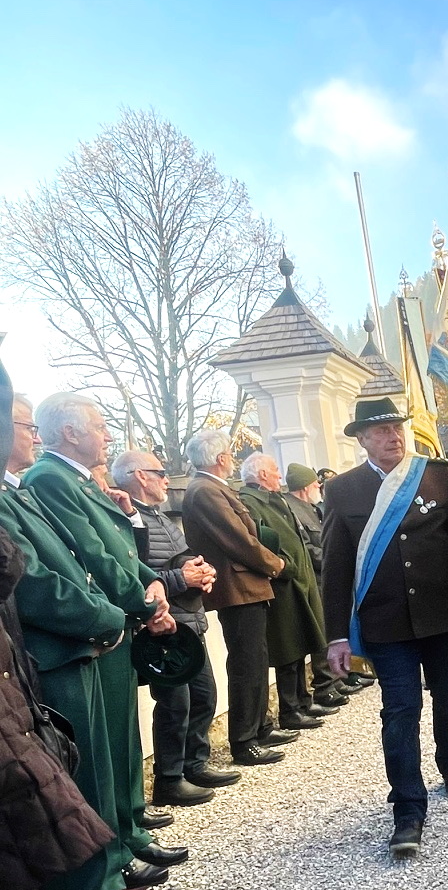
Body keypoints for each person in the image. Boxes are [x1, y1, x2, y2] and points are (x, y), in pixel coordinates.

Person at [23, 394, 188, 878]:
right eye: (99, 426)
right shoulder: (50, 477)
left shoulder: (77, 478)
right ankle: (115, 850)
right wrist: (144, 603)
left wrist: (150, 583)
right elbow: (90, 552)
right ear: (70, 432)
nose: (108, 435)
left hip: (115, 616)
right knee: (102, 751)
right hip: (98, 621)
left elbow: (116, 545)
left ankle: (130, 829)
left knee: (121, 739)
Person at [321, 398, 448, 857]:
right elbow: (335, 568)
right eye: (380, 430)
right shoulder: (342, 490)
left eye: (396, 427)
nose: (393, 436)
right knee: (400, 711)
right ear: (362, 439)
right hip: (385, 621)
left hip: (441, 614)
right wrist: (337, 635)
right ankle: (408, 811)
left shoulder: (437, 475)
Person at [0, 379, 130, 890]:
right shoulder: (32, 486)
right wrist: (106, 615)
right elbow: (34, 581)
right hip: (51, 650)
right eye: (25, 425)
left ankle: (113, 862)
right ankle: (101, 874)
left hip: (73, 641)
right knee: (75, 782)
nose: (34, 435)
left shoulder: (18, 489)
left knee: (95, 768)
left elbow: (76, 560)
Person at [111, 450, 240, 805]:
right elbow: (135, 575)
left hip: (189, 621)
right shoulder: (128, 519)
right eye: (161, 472)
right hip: (163, 627)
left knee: (204, 695)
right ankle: (169, 779)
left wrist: (203, 572)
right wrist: (182, 579)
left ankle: (194, 765)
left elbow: (182, 559)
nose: (168, 479)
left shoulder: (161, 516)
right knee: (174, 704)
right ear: (140, 476)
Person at [181, 431, 295, 766]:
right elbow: (239, 539)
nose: (232, 460)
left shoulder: (213, 487)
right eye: (230, 454)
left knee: (257, 659)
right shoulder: (204, 490)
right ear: (220, 459)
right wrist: (276, 564)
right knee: (246, 663)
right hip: (236, 587)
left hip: (247, 586)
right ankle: (244, 741)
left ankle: (260, 727)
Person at [237, 454, 329, 732]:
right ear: (262, 475)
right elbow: (261, 541)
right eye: (275, 470)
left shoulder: (274, 499)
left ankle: (303, 700)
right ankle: (290, 709)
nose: (280, 475)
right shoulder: (251, 502)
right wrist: (284, 566)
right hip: (282, 582)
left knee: (300, 642)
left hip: (297, 579)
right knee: (288, 646)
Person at [284, 462, 347, 710]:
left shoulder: (310, 508)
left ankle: (335, 679)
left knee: (328, 628)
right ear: (304, 487)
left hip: (324, 575)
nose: (318, 489)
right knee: (320, 631)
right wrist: (333, 560)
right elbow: (307, 548)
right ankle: (325, 685)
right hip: (315, 577)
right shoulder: (292, 509)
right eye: (315, 485)